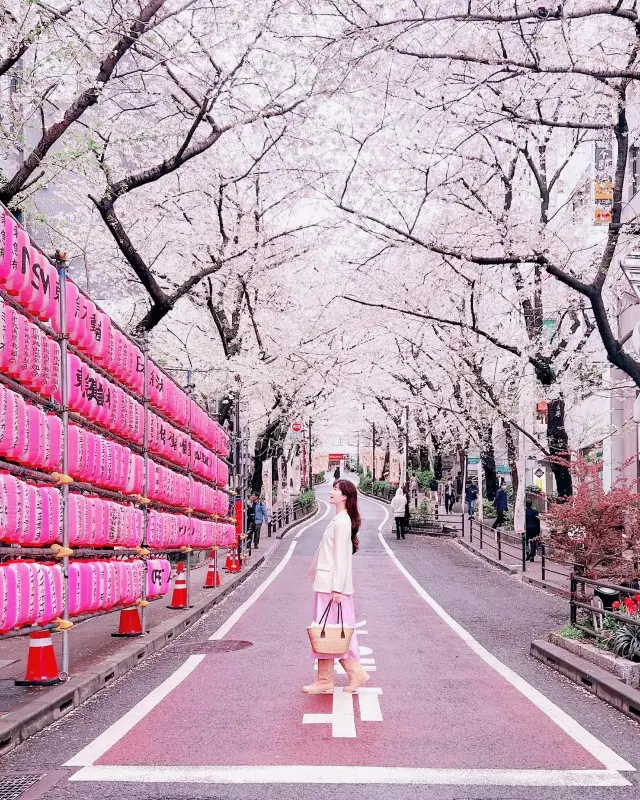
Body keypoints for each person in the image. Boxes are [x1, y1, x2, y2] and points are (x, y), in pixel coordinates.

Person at [304, 480, 368, 694]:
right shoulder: (340, 519)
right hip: (328, 585)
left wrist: (337, 588)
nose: (331, 492)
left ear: (345, 497)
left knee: (329, 631)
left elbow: (341, 558)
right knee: (328, 631)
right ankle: (328, 679)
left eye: (335, 490)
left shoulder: (342, 521)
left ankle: (343, 675)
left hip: (331, 587)